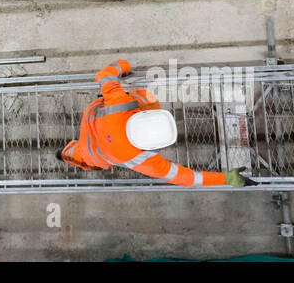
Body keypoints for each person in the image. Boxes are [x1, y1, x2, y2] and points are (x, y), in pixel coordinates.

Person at [57, 59, 255, 188]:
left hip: (95, 145)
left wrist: (228, 178)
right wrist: (124, 65)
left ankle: (64, 154)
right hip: (93, 150)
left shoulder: (138, 155)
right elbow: (104, 75)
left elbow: (186, 178)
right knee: (78, 155)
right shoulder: (121, 103)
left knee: (79, 155)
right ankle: (63, 154)